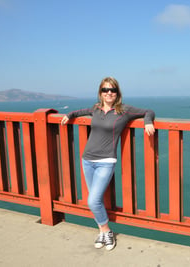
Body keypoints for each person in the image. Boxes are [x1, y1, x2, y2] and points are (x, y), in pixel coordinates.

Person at [60, 77, 155, 251]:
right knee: (96, 200)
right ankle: (103, 233)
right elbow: (79, 112)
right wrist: (69, 115)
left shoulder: (124, 110)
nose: (109, 93)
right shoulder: (95, 109)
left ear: (117, 93)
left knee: (93, 200)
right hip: (87, 159)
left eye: (112, 90)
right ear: (100, 93)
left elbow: (148, 111)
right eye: (105, 90)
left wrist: (148, 122)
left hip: (106, 162)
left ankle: (107, 231)